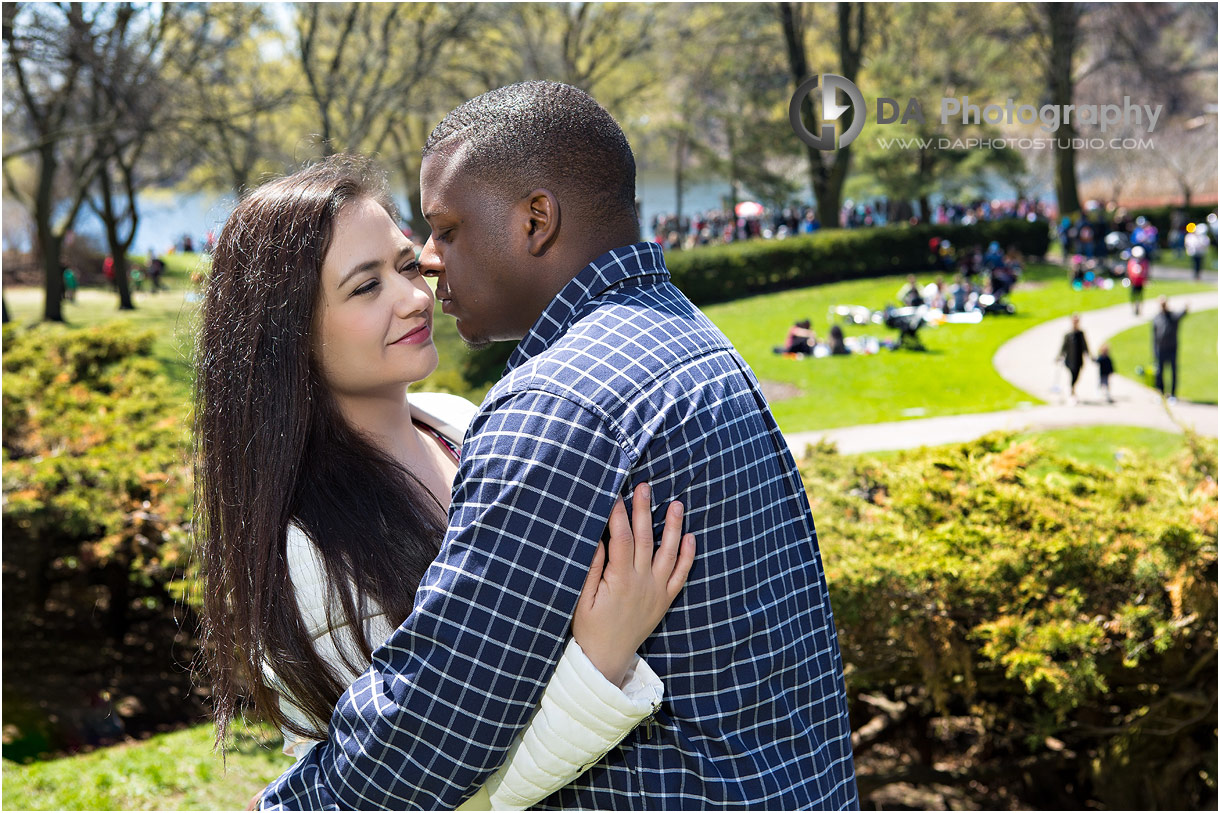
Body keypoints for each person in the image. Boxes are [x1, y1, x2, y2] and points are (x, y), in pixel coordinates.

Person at [260, 82, 857, 810]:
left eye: (446, 229)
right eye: (373, 278)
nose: (430, 264)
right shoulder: (687, 337)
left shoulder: (559, 403)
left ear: (536, 219)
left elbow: (439, 718)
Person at [194, 156, 698, 810]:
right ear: (291, 334)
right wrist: (601, 660)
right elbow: (426, 789)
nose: (413, 296)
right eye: (364, 286)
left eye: (407, 265)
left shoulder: (464, 424)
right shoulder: (309, 553)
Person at [1152, 296, 1188, 403]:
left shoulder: (1172, 316)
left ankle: (1173, 394)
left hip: (1172, 349)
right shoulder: (1157, 318)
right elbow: (1154, 336)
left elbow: (1182, 314)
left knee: (1173, 372)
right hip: (1160, 350)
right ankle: (1161, 393)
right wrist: (1154, 350)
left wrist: (1186, 307)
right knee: (1159, 373)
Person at [1057, 313, 1090, 405]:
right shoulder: (1068, 335)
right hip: (1070, 359)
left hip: (1079, 359)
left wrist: (1088, 355)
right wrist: (1059, 356)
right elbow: (1063, 347)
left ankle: (1072, 389)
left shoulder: (1081, 334)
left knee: (1077, 375)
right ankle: (1072, 391)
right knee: (1073, 374)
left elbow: (1085, 345)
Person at [1127, 246, 1149, 315]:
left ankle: (1139, 309)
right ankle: (1133, 309)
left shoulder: (1144, 262)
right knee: (1133, 296)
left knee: (1140, 296)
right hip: (1133, 282)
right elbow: (1129, 272)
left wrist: (1145, 279)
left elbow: (1146, 272)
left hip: (1140, 283)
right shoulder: (1131, 262)